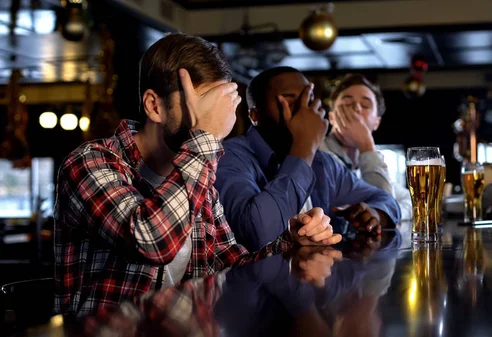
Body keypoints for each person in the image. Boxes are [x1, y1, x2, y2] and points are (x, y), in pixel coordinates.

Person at [53, 34, 341, 317]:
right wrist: (206, 136)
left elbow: (229, 265)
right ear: (154, 106)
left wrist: (290, 243)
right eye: (199, 106)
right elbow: (153, 242)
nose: (211, 120)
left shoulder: (198, 171)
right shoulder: (91, 162)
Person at [214, 66, 401, 251]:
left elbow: (386, 200)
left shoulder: (323, 163)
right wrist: (304, 148)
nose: (304, 112)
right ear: (255, 115)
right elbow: (257, 234)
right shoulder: (229, 157)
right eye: (290, 102)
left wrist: (375, 213)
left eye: (309, 101)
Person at [320, 73, 412, 220]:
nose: (356, 108)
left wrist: (395, 212)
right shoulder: (320, 155)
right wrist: (366, 144)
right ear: (332, 117)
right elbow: (385, 209)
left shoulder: (369, 160)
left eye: (365, 105)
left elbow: (407, 201)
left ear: (377, 122)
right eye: (347, 103)